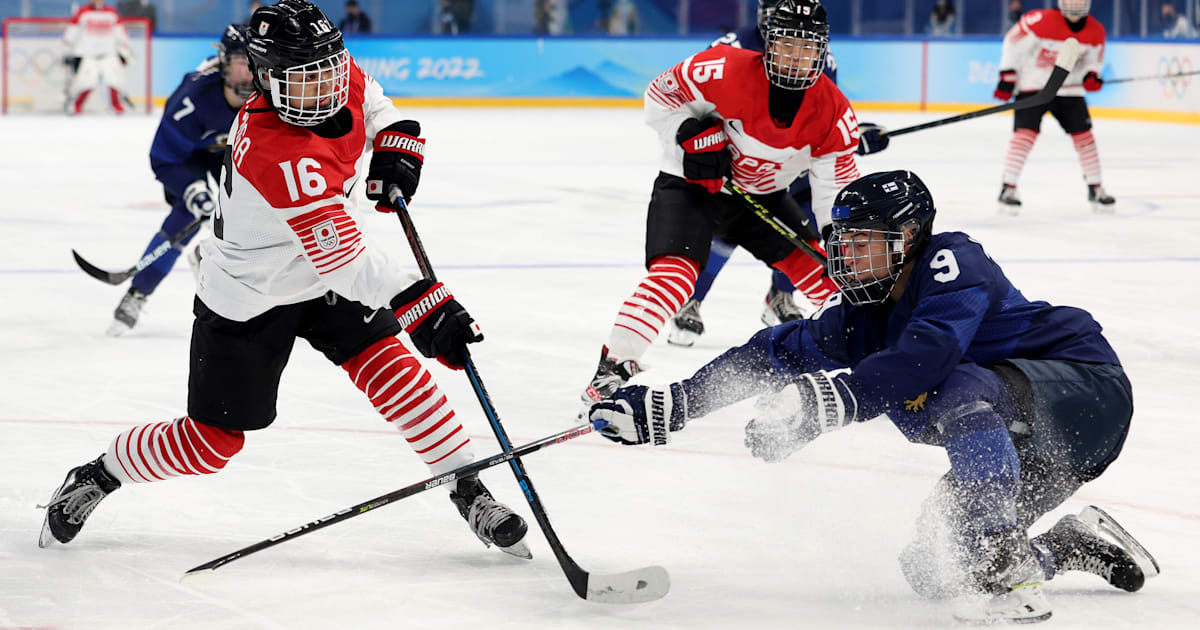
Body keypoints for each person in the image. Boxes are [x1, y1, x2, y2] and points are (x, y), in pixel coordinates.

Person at [40, 0, 531, 561]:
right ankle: (100, 474)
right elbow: (344, 260)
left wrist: (396, 141)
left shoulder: (326, 68)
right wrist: (425, 302)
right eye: (304, 82)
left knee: (395, 372)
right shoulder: (274, 146)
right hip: (253, 296)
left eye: (329, 72)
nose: (323, 91)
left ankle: (468, 487)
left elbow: (372, 101)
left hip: (328, 278)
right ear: (267, 79)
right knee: (212, 442)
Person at [588, 170, 1159, 624]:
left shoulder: (953, 263)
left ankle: (1008, 558)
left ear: (909, 238)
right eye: (843, 242)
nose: (845, 257)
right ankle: (1066, 547)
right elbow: (773, 353)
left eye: (862, 243)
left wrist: (824, 405)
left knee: (955, 381)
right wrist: (677, 403)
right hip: (1035, 451)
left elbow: (926, 359)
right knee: (935, 568)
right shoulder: (863, 318)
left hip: (1085, 394)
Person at [579, 0, 860, 407]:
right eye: (786, 46)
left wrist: (841, 244)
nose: (795, 58)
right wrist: (687, 131)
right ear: (768, 44)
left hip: (761, 198)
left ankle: (877, 369)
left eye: (806, 48)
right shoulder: (723, 68)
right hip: (692, 187)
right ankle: (612, 370)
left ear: (822, 53)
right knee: (674, 276)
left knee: (828, 278)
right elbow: (659, 95)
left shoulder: (833, 112)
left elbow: (832, 195)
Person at [669, 0, 890, 348]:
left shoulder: (818, 54)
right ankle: (692, 299)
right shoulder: (731, 49)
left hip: (791, 160)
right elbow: (695, 110)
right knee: (728, 231)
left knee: (807, 222)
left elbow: (824, 113)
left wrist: (851, 137)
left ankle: (780, 297)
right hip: (741, 161)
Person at [105, 25, 255, 337]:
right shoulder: (194, 97)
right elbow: (164, 157)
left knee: (255, 217)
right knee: (187, 214)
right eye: (242, 61)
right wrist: (192, 188)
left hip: (236, 153)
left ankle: (213, 258)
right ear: (224, 61)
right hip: (192, 155)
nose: (249, 71)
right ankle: (137, 293)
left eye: (255, 61)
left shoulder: (270, 95)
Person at [994, 0, 1114, 214]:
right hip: (1033, 87)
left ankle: (1095, 187)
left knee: (1084, 138)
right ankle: (1008, 187)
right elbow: (1013, 43)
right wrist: (1008, 74)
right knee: (1024, 136)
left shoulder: (1096, 31)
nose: (1075, 4)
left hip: (1069, 90)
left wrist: (1091, 75)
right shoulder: (1041, 20)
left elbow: (1092, 62)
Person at [62, 0, 134, 115]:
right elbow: (71, 33)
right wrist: (68, 48)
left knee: (114, 81)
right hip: (89, 55)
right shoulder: (83, 12)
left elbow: (121, 33)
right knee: (86, 83)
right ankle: (77, 105)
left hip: (108, 54)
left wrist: (125, 48)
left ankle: (117, 106)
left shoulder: (111, 13)